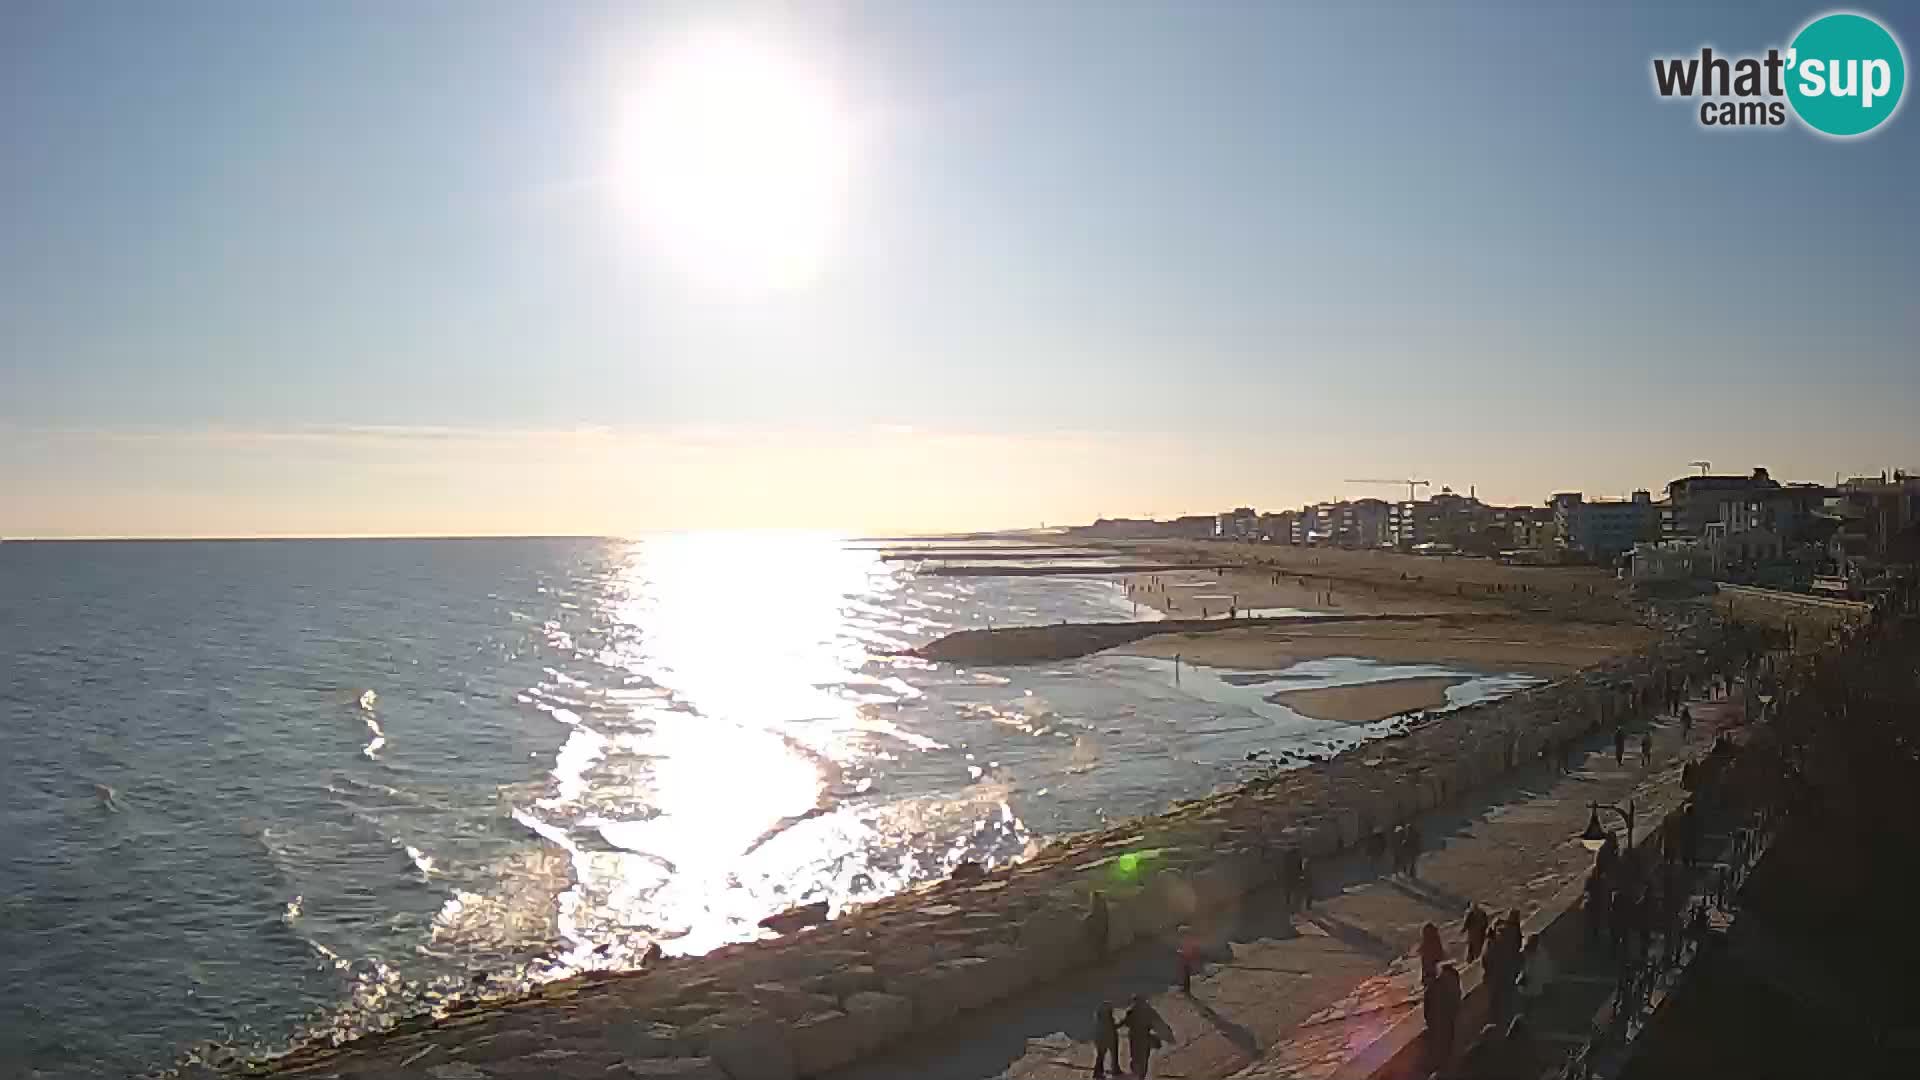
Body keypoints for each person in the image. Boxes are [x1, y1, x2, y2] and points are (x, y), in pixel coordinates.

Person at [1423, 962, 1462, 1070]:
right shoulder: (1453, 981)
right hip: (1448, 1019)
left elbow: (1427, 1009)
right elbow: (1457, 999)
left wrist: (1430, 1022)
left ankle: (1441, 1068)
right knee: (1448, 1044)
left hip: (1437, 1023)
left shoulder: (1432, 988)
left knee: (1439, 1048)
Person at [1121, 995, 1167, 1078]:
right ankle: (1141, 1075)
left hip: (1134, 1037)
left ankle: (1137, 1073)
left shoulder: (1131, 1012)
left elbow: (1126, 1023)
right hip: (1143, 1038)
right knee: (1143, 1059)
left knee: (1135, 1057)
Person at [1518, 934, 1555, 1009]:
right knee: (1525, 1005)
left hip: (1533, 988)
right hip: (1525, 988)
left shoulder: (1541, 955)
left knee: (1530, 1005)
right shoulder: (1526, 951)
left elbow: (1543, 970)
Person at [1093, 1001, 1120, 1078]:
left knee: (1100, 1056)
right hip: (1110, 1038)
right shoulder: (1109, 1019)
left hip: (1099, 1039)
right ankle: (1115, 1069)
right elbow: (1113, 1027)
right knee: (1114, 1054)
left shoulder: (1098, 1020)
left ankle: (1098, 1072)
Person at [1087, 890, 1111, 960]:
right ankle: (1102, 956)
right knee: (1101, 938)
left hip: (1101, 920)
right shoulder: (1098, 901)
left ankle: (1102, 956)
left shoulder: (1099, 900)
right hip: (1100, 920)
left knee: (1102, 938)